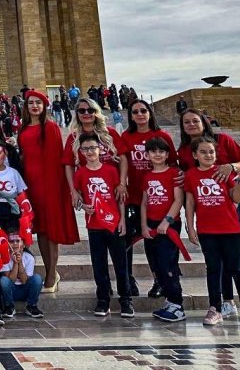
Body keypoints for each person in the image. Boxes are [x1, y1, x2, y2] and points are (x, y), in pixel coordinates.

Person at [177, 108, 240, 319]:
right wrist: (190, 223)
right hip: (207, 216)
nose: (191, 125)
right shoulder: (184, 150)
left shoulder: (223, 140)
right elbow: (189, 186)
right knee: (216, 265)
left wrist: (230, 167)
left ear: (204, 122)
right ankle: (224, 303)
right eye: (186, 122)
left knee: (239, 263)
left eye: (195, 121)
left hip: (231, 210)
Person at [16, 91, 79, 292]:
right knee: (41, 230)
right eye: (30, 103)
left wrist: (57, 189)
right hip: (31, 185)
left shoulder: (50, 127)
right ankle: (51, 269)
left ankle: (52, 274)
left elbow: (55, 159)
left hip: (49, 184)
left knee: (51, 229)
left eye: (38, 103)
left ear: (44, 106)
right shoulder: (24, 129)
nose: (34, 106)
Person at [120, 99, 179, 298]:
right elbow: (123, 163)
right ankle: (128, 280)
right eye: (135, 111)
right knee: (126, 240)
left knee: (156, 243)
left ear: (150, 113)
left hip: (158, 199)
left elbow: (173, 165)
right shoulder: (126, 136)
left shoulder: (162, 136)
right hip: (134, 197)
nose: (139, 114)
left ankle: (161, 280)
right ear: (130, 116)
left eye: (143, 110)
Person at [73, 133, 133, 319]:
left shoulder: (111, 170)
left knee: (120, 265)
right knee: (99, 265)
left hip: (114, 223)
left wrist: (123, 220)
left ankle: (126, 300)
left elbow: (120, 198)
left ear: (100, 149)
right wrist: (84, 206)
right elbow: (78, 199)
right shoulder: (80, 173)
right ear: (81, 152)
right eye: (86, 149)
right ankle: (103, 299)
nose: (90, 152)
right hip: (94, 225)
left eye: (93, 148)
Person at [140, 136, 185, 322]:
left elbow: (178, 199)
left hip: (168, 224)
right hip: (150, 224)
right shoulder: (147, 176)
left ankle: (177, 304)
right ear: (148, 155)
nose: (157, 155)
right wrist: (143, 225)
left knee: (168, 264)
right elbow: (144, 202)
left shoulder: (174, 173)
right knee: (156, 264)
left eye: (161, 151)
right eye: (153, 151)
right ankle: (168, 299)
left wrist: (167, 221)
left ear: (167, 154)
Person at [0, 230, 43, 319]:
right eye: (11, 241)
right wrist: (15, 263)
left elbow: (25, 280)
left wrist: (20, 262)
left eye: (17, 241)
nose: (15, 244)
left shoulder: (29, 258)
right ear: (7, 244)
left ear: (23, 244)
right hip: (11, 291)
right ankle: (9, 306)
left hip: (25, 290)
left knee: (37, 279)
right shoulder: (4, 257)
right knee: (3, 280)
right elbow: (10, 280)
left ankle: (31, 306)